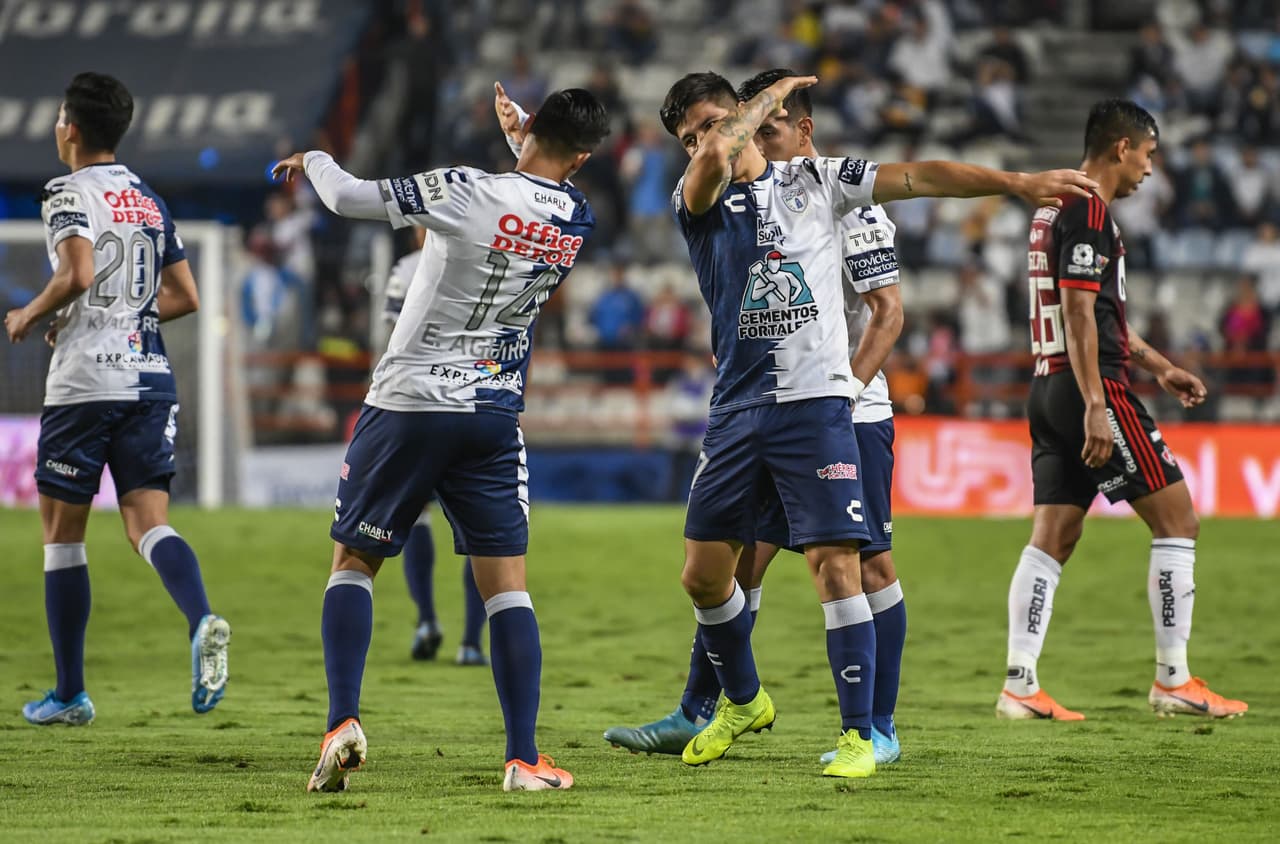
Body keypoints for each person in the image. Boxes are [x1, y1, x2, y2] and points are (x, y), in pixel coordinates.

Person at [650, 70, 1094, 778]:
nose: (707, 141)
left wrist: (1013, 181)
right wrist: (750, 110)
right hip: (737, 409)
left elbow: (918, 178)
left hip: (830, 406)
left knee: (845, 566)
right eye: (690, 135)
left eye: (714, 123)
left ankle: (865, 731)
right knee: (711, 574)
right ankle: (733, 700)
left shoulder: (826, 184)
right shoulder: (697, 197)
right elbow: (708, 163)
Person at [271, 85, 609, 793]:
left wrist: (317, 156)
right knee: (506, 588)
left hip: (408, 402)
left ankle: (341, 722)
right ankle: (522, 758)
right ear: (581, 157)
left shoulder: (464, 188)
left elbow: (349, 198)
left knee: (354, 560)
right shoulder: (579, 216)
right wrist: (528, 144)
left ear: (532, 130)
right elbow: (532, 188)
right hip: (491, 414)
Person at [603, 67, 911, 768]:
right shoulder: (743, 195)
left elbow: (888, 313)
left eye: (768, 128)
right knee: (736, 566)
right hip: (771, 406)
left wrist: (839, 394)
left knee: (867, 565)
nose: (756, 144)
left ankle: (879, 726)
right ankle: (703, 706)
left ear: (801, 127)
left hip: (845, 409)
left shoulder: (849, 199)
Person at [999, 99, 1247, 722]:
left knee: (1054, 536)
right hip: (1090, 391)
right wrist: (1095, 406)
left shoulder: (1056, 204)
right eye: (1148, 155)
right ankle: (1173, 679)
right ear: (1121, 148)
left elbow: (1096, 315)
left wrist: (1159, 365)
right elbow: (1081, 314)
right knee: (1179, 522)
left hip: (1047, 384)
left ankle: (1019, 684)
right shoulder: (1087, 206)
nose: (1149, 169)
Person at [4, 72, 231, 726]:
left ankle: (71, 693)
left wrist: (30, 314)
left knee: (61, 535)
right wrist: (121, 316)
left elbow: (74, 272)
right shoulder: (148, 198)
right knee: (147, 523)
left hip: (84, 386)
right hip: (150, 377)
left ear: (70, 128)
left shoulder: (65, 192)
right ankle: (202, 616)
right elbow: (185, 296)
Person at [380, 227, 487, 666]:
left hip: (418, 407)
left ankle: (449, 631)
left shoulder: (405, 271)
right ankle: (460, 639)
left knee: (421, 518)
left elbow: (390, 340)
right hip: (470, 404)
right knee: (481, 532)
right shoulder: (484, 260)